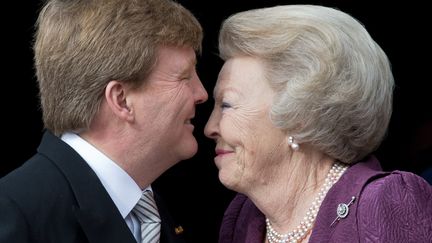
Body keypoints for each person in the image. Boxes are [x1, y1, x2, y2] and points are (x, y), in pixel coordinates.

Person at [204, 5, 432, 243]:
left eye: (227, 104)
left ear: (299, 116)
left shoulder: (384, 202)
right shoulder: (243, 217)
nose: (210, 127)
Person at [0, 0, 207, 242]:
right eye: (184, 77)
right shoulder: (13, 213)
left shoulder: (152, 211)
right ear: (121, 100)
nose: (201, 93)